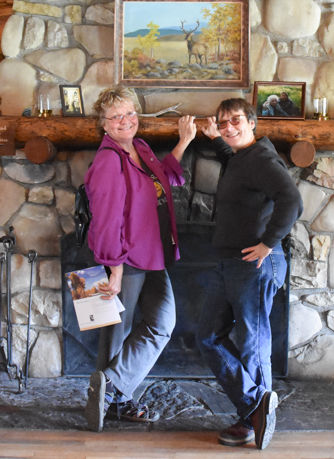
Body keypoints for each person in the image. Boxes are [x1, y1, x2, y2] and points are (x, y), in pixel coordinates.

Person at [82, 86, 197, 433]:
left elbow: (167, 179)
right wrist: (113, 268)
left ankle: (109, 388)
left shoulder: (140, 148)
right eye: (115, 116)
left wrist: (185, 140)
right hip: (119, 257)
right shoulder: (107, 159)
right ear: (103, 124)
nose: (125, 121)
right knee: (114, 334)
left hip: (152, 253)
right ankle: (112, 401)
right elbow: (104, 219)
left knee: (163, 323)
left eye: (130, 113)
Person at [196, 98, 303, 449]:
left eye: (236, 121)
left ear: (252, 122)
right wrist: (215, 139)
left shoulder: (261, 159)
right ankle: (254, 407)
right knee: (208, 336)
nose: (229, 127)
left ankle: (254, 419)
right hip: (229, 263)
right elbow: (234, 162)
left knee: (252, 344)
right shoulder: (241, 158)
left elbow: (291, 200)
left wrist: (269, 243)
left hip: (255, 264)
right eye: (223, 122)